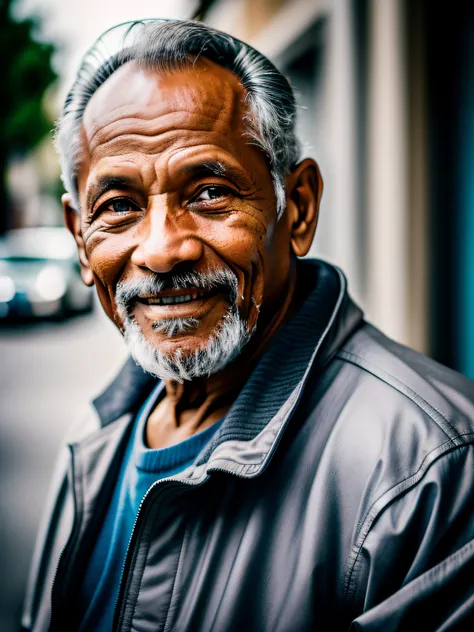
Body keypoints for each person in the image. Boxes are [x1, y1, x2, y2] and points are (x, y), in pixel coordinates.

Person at [22, 19, 474, 632]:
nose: (161, 250)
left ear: (299, 209)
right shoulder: (98, 435)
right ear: (80, 238)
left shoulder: (433, 470)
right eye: (119, 206)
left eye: (209, 192)